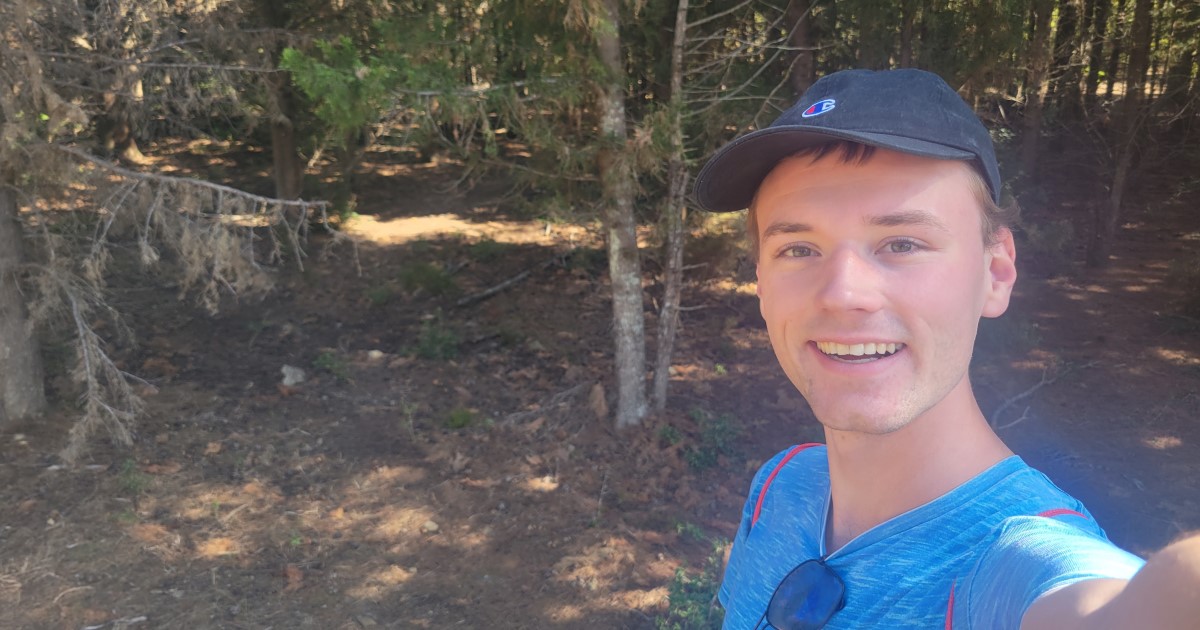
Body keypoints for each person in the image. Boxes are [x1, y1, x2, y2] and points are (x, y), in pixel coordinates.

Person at [692, 68, 1200, 629]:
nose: (842, 294)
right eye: (798, 248)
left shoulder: (1016, 567)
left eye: (903, 243)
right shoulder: (780, 485)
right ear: (760, 280)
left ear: (996, 272)